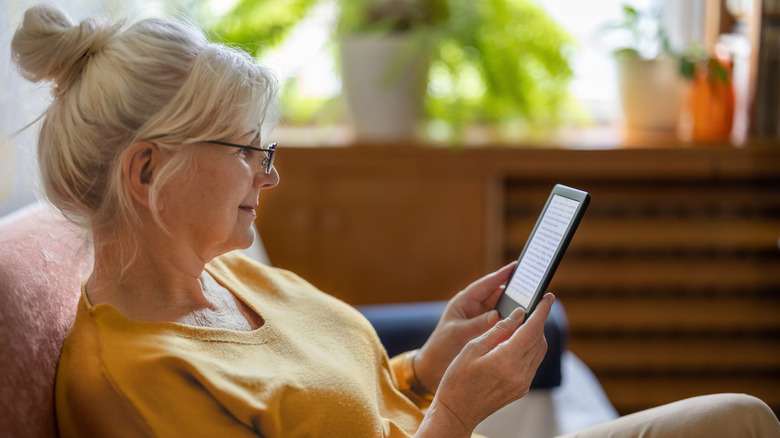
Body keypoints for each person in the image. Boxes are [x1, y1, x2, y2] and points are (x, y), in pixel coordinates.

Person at [10, 4, 780, 438]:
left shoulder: (227, 273)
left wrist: (429, 364)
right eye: (247, 150)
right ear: (148, 172)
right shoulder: (131, 383)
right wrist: (455, 413)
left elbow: (345, 401)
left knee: (739, 420)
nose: (269, 174)